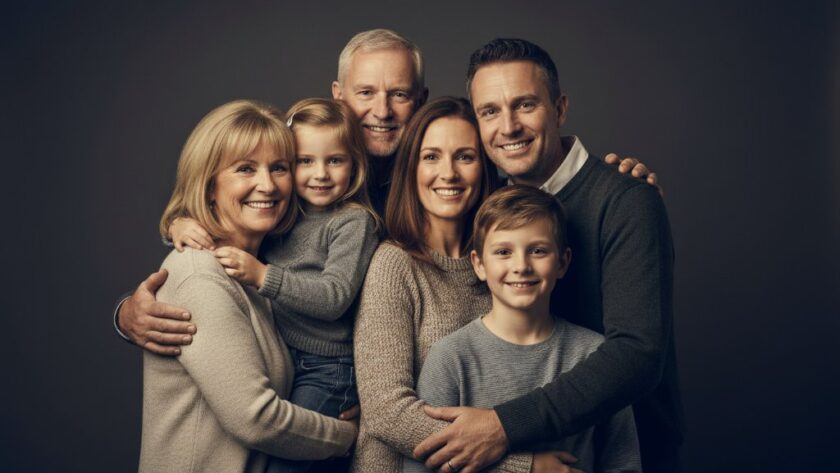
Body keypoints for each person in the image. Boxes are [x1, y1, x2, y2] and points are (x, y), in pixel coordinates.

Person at [112, 29, 655, 354]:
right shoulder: (303, 162)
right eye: (366, 92)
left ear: (419, 99)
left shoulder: (449, 173)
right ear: (337, 94)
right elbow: (225, 201)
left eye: (398, 94)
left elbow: (526, 187)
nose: (381, 110)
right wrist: (161, 254)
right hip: (289, 372)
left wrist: (606, 178)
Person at [413, 39, 683, 473]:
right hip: (525, 457)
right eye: (490, 112)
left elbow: (637, 355)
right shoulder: (491, 205)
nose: (508, 127)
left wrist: (503, 426)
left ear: (559, 109)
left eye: (525, 105)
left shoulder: (627, 200)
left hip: (623, 455)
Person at [139, 100, 357, 472]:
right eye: (245, 169)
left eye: (279, 168)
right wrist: (348, 436)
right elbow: (256, 417)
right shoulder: (199, 273)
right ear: (209, 187)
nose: (267, 185)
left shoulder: (261, 271)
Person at [354, 96, 567, 473]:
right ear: (411, 168)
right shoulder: (395, 264)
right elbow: (387, 411)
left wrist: (623, 178)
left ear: (484, 168)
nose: (448, 173)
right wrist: (523, 467)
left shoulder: (506, 266)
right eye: (431, 157)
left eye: (465, 157)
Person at [404, 185, 641, 473]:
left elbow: (624, 463)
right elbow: (424, 467)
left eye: (538, 250)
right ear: (479, 264)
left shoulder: (595, 354)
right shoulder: (451, 358)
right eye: (503, 252)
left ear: (562, 262)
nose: (521, 266)